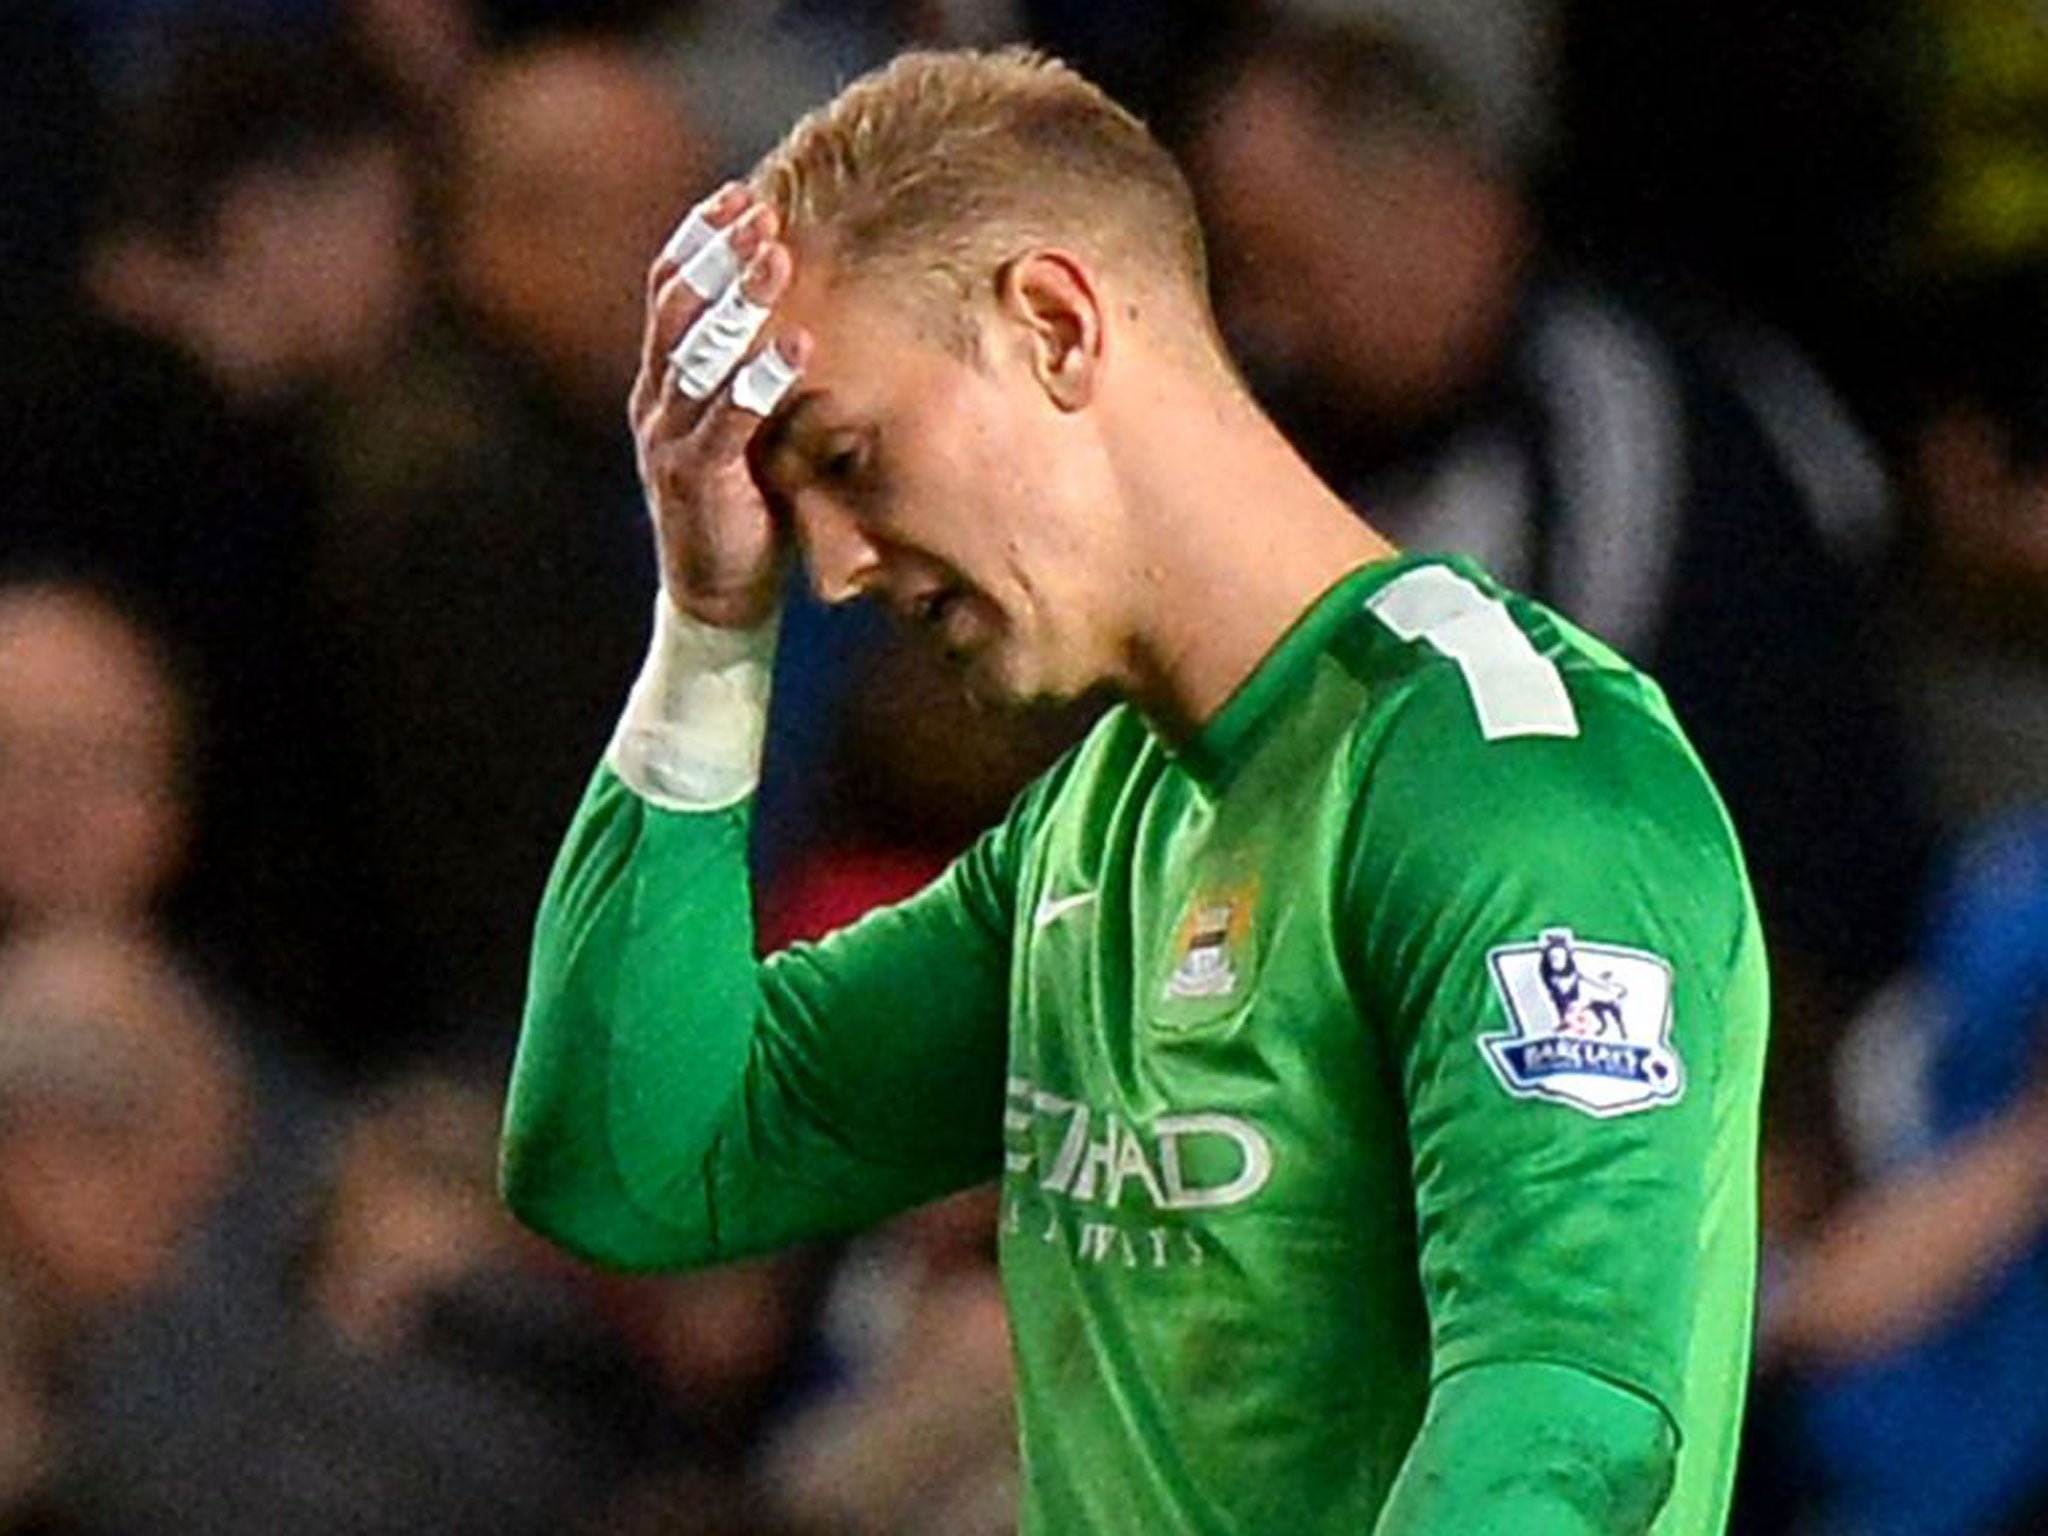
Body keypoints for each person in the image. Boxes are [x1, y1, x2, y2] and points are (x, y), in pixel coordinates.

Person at [502, 47, 1768, 1536]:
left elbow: (1565, 1423)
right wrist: (712, 632)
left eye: (851, 457)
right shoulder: (1094, 829)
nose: (834, 566)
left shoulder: (1514, 782)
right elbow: (634, 1165)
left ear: (1052, 325)